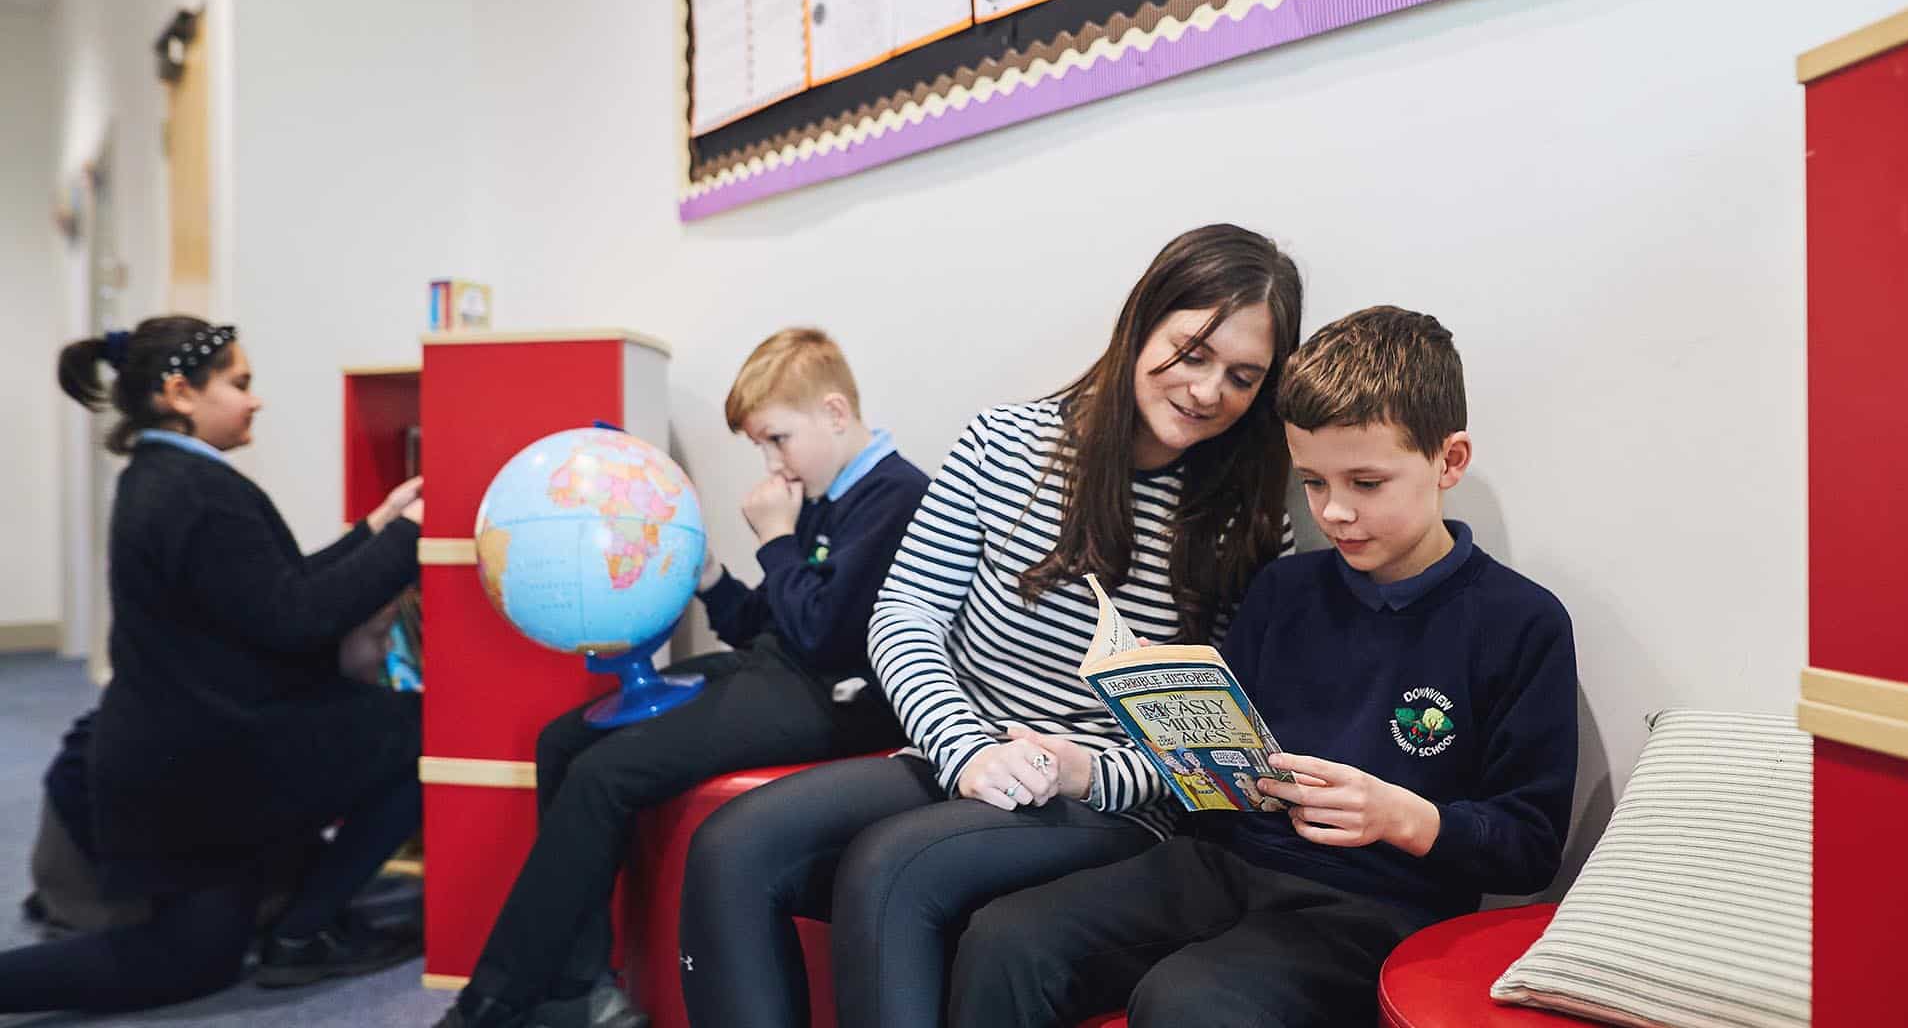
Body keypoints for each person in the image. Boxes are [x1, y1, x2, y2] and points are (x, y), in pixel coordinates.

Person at [678, 224, 1305, 1028]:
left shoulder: (1245, 523)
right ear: (1142, 323)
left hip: (1106, 804)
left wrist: (1084, 770)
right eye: (1192, 352)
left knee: (893, 866)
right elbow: (903, 618)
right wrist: (965, 747)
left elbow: (1215, 741)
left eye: (1243, 376)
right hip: (957, 757)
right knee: (732, 846)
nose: (1210, 389)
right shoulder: (1003, 444)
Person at [947, 305, 1579, 1028]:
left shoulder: (1520, 622)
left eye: (1366, 483)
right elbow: (1222, 775)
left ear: (1449, 461)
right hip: (1223, 864)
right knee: (1007, 938)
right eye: (1313, 482)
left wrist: (1405, 816)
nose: (1335, 511)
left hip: (1377, 907)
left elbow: (1530, 846)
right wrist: (1173, 709)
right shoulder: (1286, 590)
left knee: (1189, 1000)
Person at [439, 328, 929, 1028]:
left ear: (835, 413)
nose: (770, 462)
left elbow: (823, 633)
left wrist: (776, 537)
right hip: (778, 668)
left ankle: (495, 999)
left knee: (605, 775)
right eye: (760, 445)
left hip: (838, 698)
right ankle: (578, 984)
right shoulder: (824, 491)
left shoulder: (895, 496)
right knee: (562, 742)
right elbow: (770, 618)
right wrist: (711, 578)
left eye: (777, 438)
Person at [0, 316, 426, 1013]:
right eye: (240, 384)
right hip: (216, 762)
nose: (255, 400)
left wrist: (375, 527)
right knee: (423, 732)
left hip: (183, 757)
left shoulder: (167, 477)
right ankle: (303, 932)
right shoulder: (196, 493)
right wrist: (409, 536)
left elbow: (274, 590)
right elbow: (298, 620)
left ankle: (297, 925)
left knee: (190, 959)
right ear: (181, 393)